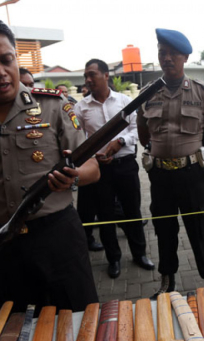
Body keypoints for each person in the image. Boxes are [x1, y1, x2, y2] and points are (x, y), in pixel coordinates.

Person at [0, 14, 100, 311]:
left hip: (59, 236)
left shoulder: (55, 106)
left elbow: (92, 168)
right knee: (18, 331)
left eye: (6, 59)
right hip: (1, 244)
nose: (0, 72)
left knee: (80, 320)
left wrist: (74, 176)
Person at [137, 28, 204, 296]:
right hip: (160, 177)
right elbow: (144, 135)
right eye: (162, 53)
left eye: (173, 53)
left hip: (192, 175)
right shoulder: (147, 93)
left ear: (185, 57)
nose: (167, 58)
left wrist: (197, 157)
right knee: (164, 230)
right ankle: (167, 282)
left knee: (201, 231)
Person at [74, 58, 154, 279]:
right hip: (100, 170)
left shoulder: (124, 101)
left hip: (126, 165)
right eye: (86, 76)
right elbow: (78, 140)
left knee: (133, 212)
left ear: (106, 75)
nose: (88, 79)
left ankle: (140, 254)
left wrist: (120, 143)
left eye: (92, 74)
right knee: (106, 216)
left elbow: (136, 130)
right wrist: (95, 156)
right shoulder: (81, 108)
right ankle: (114, 259)